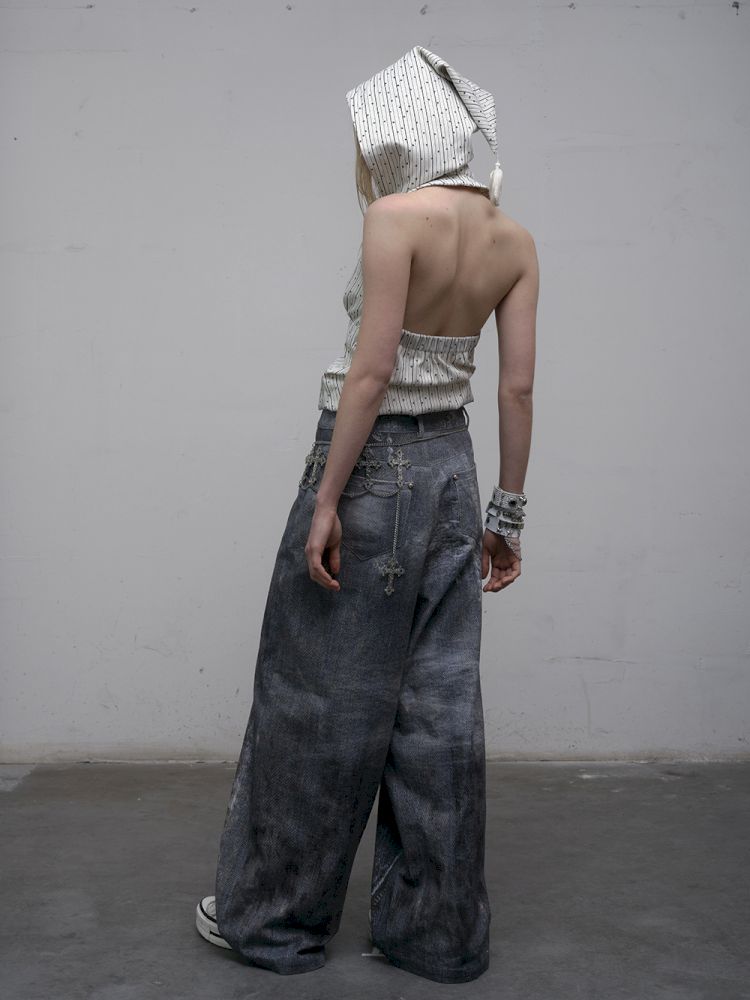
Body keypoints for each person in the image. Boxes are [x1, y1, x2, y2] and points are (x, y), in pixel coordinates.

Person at [195, 43, 538, 984]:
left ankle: (273, 923)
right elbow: (515, 390)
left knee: (317, 697)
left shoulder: (393, 218)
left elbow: (372, 372)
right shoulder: (514, 239)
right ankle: (437, 936)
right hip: (454, 473)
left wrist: (326, 500)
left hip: (372, 468)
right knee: (440, 709)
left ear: (391, 132)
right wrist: (506, 517)